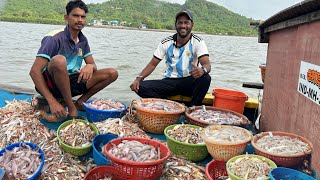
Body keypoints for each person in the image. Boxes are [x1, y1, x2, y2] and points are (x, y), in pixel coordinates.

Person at [29, 0, 118, 119]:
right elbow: (34, 71)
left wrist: (89, 66)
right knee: (60, 60)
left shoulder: (82, 40)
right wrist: (52, 102)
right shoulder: (54, 38)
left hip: (71, 82)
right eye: (75, 16)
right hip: (52, 84)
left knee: (112, 73)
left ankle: (79, 102)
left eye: (83, 17)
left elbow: (93, 64)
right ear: (66, 18)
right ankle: (71, 108)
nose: (80, 20)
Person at [130, 9, 211, 106]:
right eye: (180, 23)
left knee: (206, 78)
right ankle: (168, 105)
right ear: (176, 25)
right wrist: (138, 79)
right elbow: (152, 64)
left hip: (189, 82)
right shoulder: (166, 42)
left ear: (192, 25)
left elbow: (207, 64)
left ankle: (192, 108)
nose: (183, 26)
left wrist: (202, 70)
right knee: (140, 87)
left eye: (186, 23)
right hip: (170, 82)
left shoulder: (198, 42)